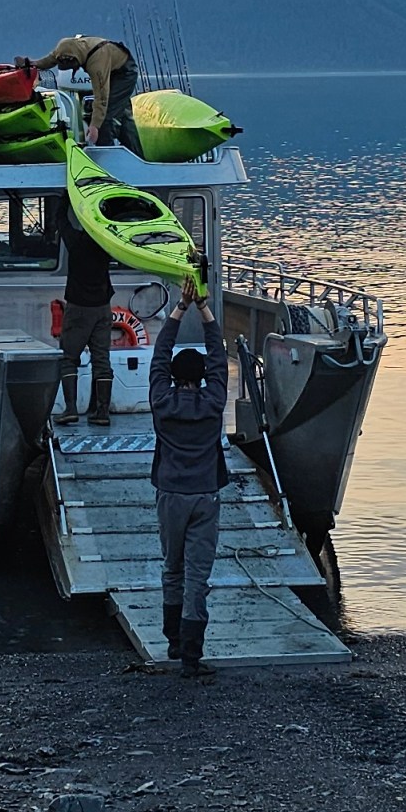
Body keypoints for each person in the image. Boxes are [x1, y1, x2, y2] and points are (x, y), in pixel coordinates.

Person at [148, 271, 227, 679]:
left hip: (169, 495)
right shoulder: (214, 401)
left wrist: (179, 308)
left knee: (171, 568)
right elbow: (218, 354)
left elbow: (160, 354)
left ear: (174, 376)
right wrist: (204, 308)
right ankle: (192, 656)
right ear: (205, 377)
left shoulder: (161, 400)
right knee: (198, 575)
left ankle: (172, 640)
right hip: (205, 496)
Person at [17, 36, 144, 156]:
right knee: (122, 114)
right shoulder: (64, 50)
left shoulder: (96, 64)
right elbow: (48, 61)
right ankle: (137, 154)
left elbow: (102, 97)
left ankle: (105, 155)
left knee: (106, 116)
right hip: (109, 67)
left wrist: (95, 126)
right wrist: (31, 64)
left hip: (124, 73)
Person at [54, 204, 114, 426]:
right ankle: (102, 412)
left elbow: (61, 219)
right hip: (103, 308)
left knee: (68, 358)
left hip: (79, 308)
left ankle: (70, 409)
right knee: (102, 359)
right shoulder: (107, 243)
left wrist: (67, 197)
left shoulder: (75, 242)